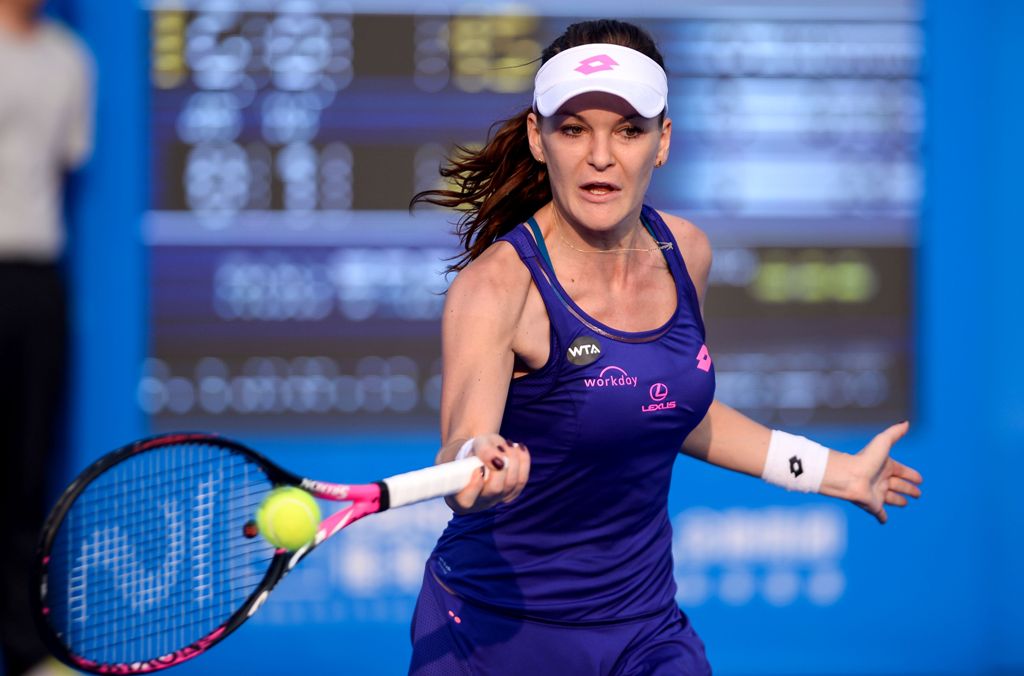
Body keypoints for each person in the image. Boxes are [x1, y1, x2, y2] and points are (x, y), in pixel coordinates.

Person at [408, 19, 922, 675]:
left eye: (628, 129)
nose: (601, 155)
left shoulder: (687, 252)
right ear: (539, 138)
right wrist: (479, 470)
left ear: (663, 142)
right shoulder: (497, 289)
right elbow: (463, 449)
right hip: (492, 634)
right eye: (573, 129)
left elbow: (671, 406)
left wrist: (835, 472)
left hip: (645, 629)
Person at [0, 1, 93, 674]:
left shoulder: (69, 59)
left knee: (27, 471)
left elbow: (63, 158)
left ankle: (28, 652)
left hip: (33, 279)